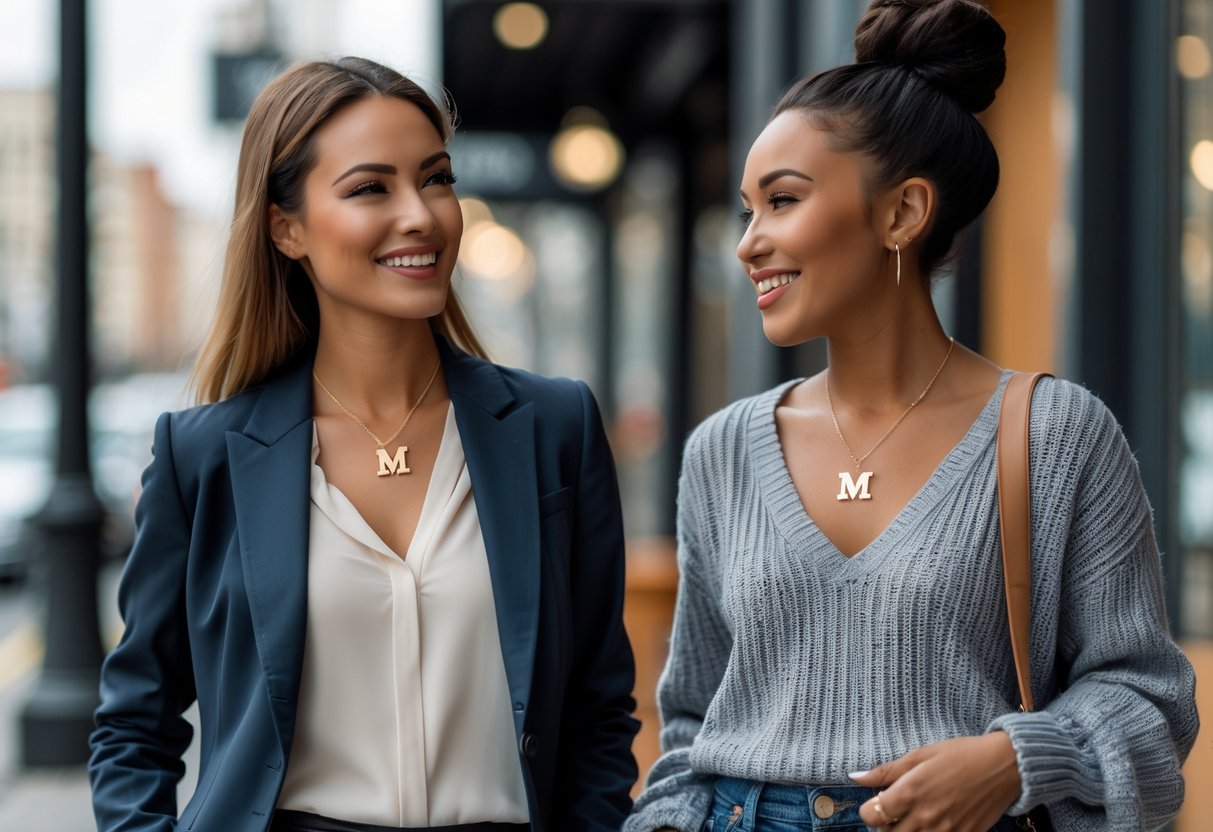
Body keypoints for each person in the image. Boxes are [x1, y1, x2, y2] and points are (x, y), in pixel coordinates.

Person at [625, 1, 1199, 831]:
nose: (748, 241)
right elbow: (691, 733)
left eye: (781, 201)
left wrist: (1013, 761)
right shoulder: (723, 450)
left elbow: (1149, 700)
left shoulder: (1054, 435)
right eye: (747, 210)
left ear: (901, 213)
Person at [88, 57, 639, 832]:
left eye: (436, 178)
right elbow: (133, 724)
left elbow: (597, 709)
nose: (420, 214)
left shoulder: (554, 429)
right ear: (287, 227)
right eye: (370, 188)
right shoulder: (203, 455)